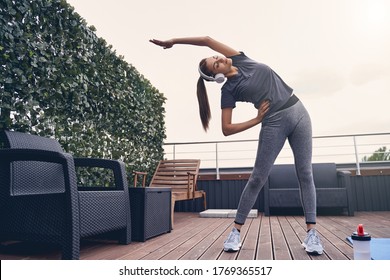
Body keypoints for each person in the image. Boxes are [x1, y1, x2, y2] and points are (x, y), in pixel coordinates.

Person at [150, 36, 324, 255]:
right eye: (216, 64)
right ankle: (235, 232)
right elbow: (226, 128)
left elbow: (206, 40)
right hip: (273, 122)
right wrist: (256, 120)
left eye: (216, 57)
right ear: (218, 75)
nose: (220, 58)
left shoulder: (239, 59)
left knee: (305, 173)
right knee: (258, 178)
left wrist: (174, 41)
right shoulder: (229, 90)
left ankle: (312, 233)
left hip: (299, 113)